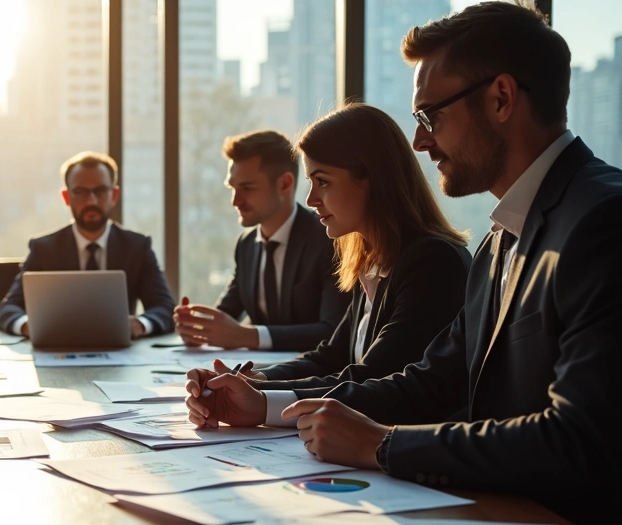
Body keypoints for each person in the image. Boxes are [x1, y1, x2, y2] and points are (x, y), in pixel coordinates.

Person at [186, 2, 622, 525]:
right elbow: (429, 380)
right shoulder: (497, 243)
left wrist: (382, 445)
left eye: (430, 116)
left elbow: (578, 440)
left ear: (502, 99)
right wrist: (265, 403)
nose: (420, 142)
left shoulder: (602, 222)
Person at [191, 104, 471, 394]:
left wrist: (261, 400)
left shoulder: (432, 263)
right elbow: (329, 357)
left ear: (372, 179)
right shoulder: (372, 260)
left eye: (322, 182)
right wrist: (251, 381)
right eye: (311, 182)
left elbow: (371, 377)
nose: (311, 199)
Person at [174, 131, 350, 352]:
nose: (235, 201)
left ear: (285, 184)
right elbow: (227, 315)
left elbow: (332, 331)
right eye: (232, 188)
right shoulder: (246, 245)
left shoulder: (328, 239)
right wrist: (197, 328)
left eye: (247, 188)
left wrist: (249, 336)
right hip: (259, 374)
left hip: (314, 379)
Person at [0, 151, 176, 338]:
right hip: (57, 352)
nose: (91, 201)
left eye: (100, 191)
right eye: (80, 192)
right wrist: (27, 325)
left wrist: (140, 324)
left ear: (114, 195)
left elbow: (165, 308)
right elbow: (7, 309)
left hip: (122, 355)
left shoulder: (137, 247)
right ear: (66, 197)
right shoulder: (44, 249)